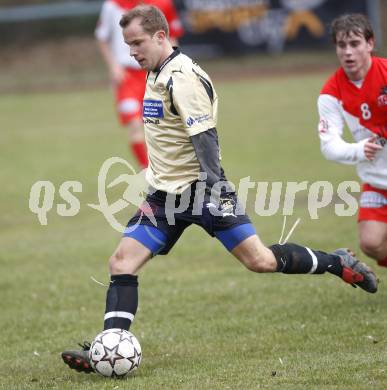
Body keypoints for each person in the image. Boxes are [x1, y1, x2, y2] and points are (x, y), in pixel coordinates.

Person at [62, 6, 378, 374]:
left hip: (203, 192)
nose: (131, 51)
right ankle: (110, 349)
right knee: (121, 262)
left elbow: (205, 139)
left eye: (137, 43)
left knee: (259, 261)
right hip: (164, 197)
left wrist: (213, 190)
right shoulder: (154, 71)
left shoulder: (183, 79)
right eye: (128, 44)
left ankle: (335, 262)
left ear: (161, 36)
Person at [317, 14, 387, 267]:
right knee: (371, 243)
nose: (348, 52)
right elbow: (329, 146)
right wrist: (360, 149)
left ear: (370, 44)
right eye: (341, 45)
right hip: (377, 181)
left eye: (355, 43)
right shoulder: (330, 93)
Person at [95, 0, 184, 169]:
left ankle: (167, 170)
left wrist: (172, 67)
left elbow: (172, 36)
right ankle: (147, 171)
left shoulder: (163, 4)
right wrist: (113, 67)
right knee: (135, 125)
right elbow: (102, 37)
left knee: (158, 126)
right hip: (126, 77)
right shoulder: (112, 5)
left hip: (154, 75)